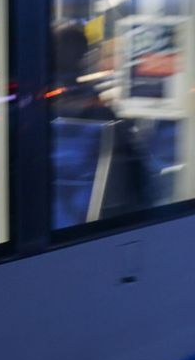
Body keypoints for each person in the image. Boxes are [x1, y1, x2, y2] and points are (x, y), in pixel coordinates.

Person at [50, 21, 153, 216]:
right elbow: (136, 171)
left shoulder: (34, 107)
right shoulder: (98, 112)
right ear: (82, 57)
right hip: (98, 210)